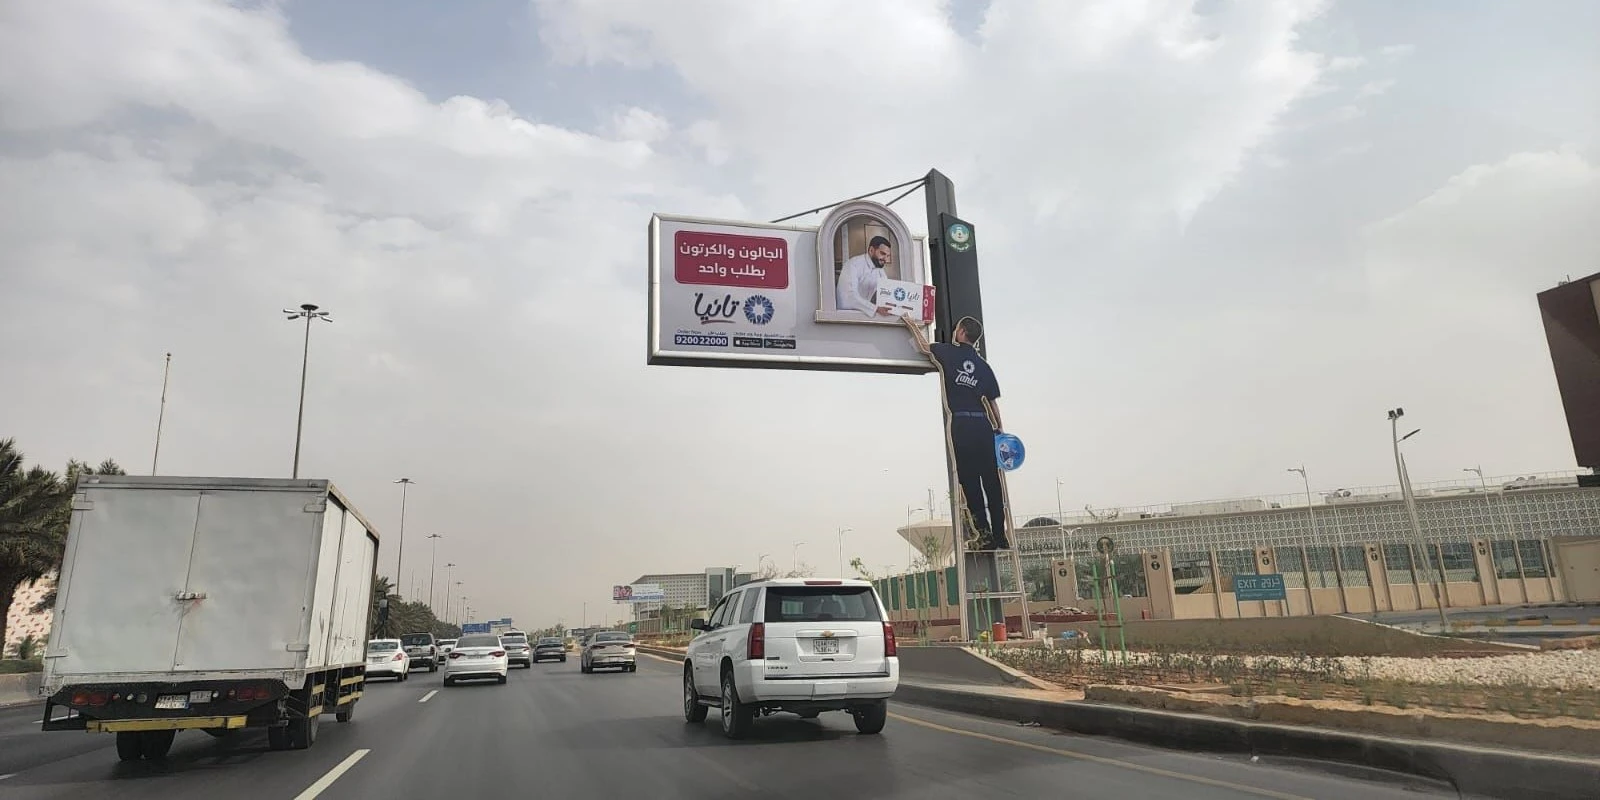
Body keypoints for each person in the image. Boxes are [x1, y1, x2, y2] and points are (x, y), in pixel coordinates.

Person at [902, 314, 1010, 550]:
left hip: (961, 424)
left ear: (961, 333)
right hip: (984, 425)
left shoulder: (949, 353)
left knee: (970, 482)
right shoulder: (983, 366)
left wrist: (909, 322)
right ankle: (1001, 536)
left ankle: (985, 534)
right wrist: (999, 430)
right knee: (992, 481)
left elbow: (922, 346)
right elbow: (992, 403)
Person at [835, 235, 896, 317]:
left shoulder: (880, 272)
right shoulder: (853, 264)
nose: (885, 259)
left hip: (864, 316)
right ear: (871, 250)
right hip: (845, 317)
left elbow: (888, 293)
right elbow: (849, 296)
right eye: (882, 254)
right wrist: (876, 308)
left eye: (887, 256)